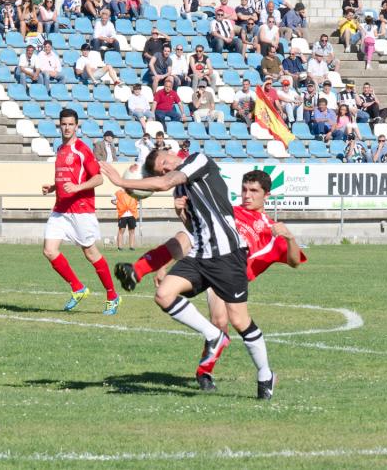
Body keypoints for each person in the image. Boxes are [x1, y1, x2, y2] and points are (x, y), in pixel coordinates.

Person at [100, 157, 279, 400]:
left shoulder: (199, 160)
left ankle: (265, 374)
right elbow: (194, 228)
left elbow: (164, 183)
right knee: (163, 295)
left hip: (228, 256)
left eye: (164, 161)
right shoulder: (181, 188)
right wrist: (180, 212)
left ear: (174, 153)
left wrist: (121, 180)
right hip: (200, 256)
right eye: (160, 169)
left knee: (239, 321)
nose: (164, 168)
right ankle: (214, 336)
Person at [42, 108, 121, 315]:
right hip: (60, 209)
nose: (67, 127)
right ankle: (78, 287)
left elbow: (98, 178)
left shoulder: (82, 149)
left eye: (71, 124)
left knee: (90, 253)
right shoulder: (60, 149)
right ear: (59, 125)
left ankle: (112, 295)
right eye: (64, 124)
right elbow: (68, 178)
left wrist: (77, 188)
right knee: (49, 250)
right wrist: (53, 187)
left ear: (77, 126)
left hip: (81, 209)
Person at [112, 177, 139, 251]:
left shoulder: (133, 192)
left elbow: (138, 200)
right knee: (121, 230)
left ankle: (132, 247)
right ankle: (120, 247)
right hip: (122, 214)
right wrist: (119, 204)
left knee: (132, 230)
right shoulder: (118, 192)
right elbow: (113, 200)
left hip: (132, 214)